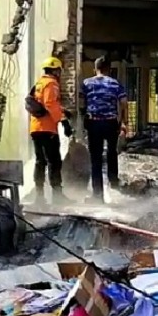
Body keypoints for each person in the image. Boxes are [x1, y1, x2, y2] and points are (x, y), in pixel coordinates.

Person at [80, 57, 128, 203]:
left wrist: (83, 120)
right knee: (112, 153)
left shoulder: (86, 84)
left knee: (96, 159)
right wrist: (124, 122)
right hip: (111, 123)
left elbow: (82, 104)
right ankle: (114, 185)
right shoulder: (116, 84)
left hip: (93, 123)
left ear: (95, 69)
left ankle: (97, 195)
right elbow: (124, 104)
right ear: (109, 69)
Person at [27, 56, 73, 206]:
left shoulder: (39, 83)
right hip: (48, 129)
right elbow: (50, 103)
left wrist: (63, 111)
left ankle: (39, 196)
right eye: (59, 70)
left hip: (35, 128)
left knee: (40, 162)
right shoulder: (52, 83)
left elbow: (43, 103)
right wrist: (64, 121)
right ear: (56, 70)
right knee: (54, 161)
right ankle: (57, 196)